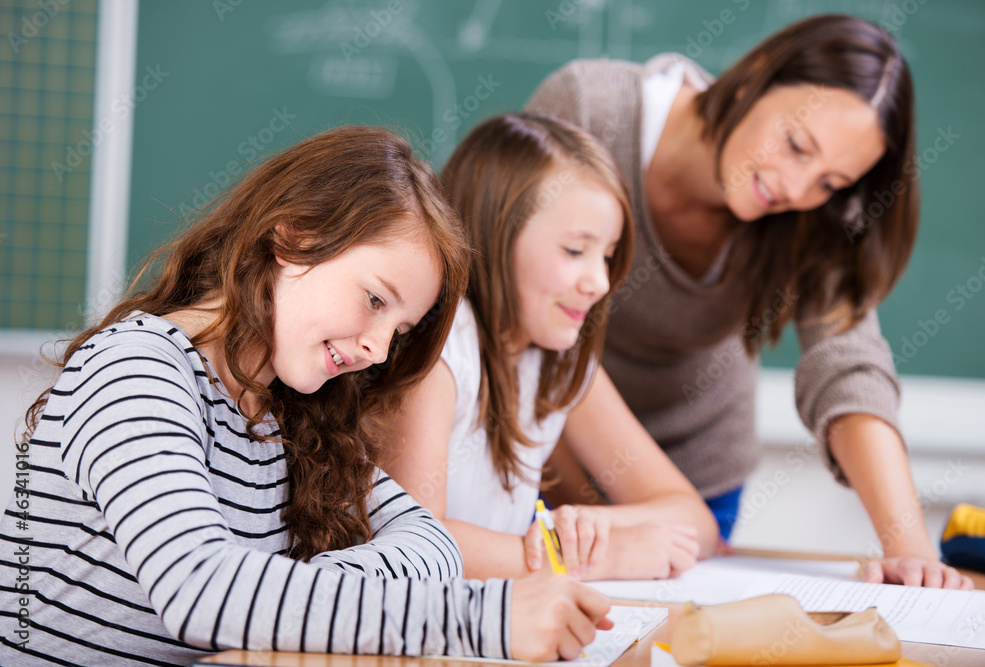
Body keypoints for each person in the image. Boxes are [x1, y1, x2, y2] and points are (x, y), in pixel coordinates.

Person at [0, 126, 613, 666]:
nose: (377, 347)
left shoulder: (295, 411)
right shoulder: (136, 369)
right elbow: (202, 591)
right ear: (293, 237)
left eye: (398, 331)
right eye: (375, 299)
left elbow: (433, 544)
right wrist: (485, 619)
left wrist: (279, 592)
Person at [525, 14, 973, 589]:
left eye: (831, 181)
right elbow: (513, 314)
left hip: (695, 483)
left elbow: (848, 367)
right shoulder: (589, 110)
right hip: (548, 449)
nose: (795, 188)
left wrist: (911, 550)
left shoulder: (815, 215)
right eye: (795, 144)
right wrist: (584, 501)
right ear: (755, 76)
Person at [384, 113, 718, 582]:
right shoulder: (442, 348)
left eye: (606, 255)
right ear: (496, 236)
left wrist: (587, 528)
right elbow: (411, 543)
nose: (599, 282)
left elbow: (695, 521)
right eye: (574, 251)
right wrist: (586, 555)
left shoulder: (558, 358)